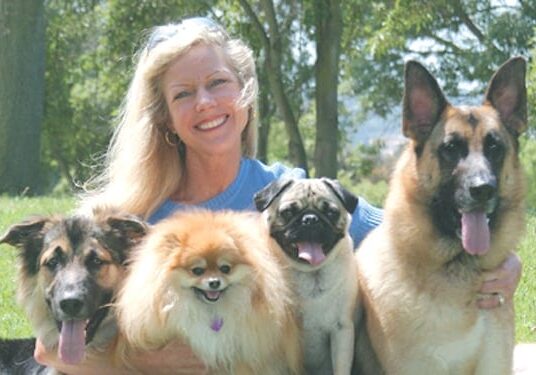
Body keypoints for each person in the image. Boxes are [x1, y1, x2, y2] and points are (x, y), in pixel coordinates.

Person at [35, 17, 523, 374]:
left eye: (218, 83)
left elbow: (400, 232)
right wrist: (144, 363)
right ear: (164, 116)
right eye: (183, 93)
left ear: (245, 95)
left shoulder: (291, 197)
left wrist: (503, 264)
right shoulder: (130, 219)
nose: (206, 103)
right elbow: (49, 350)